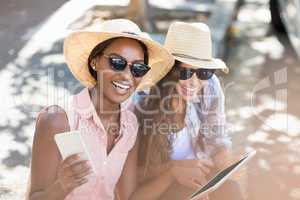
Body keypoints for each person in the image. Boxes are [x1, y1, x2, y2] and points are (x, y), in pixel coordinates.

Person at [26, 19, 174, 200]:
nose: (127, 75)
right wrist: (62, 186)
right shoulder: (57, 119)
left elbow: (126, 196)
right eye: (117, 62)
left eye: (138, 68)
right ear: (95, 62)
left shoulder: (130, 125)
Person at [130, 22, 244, 200]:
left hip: (199, 174)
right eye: (184, 73)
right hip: (164, 186)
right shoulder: (142, 102)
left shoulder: (210, 86)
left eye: (203, 73)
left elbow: (216, 137)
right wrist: (175, 168)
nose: (194, 82)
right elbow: (139, 171)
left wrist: (225, 160)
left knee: (231, 190)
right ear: (168, 70)